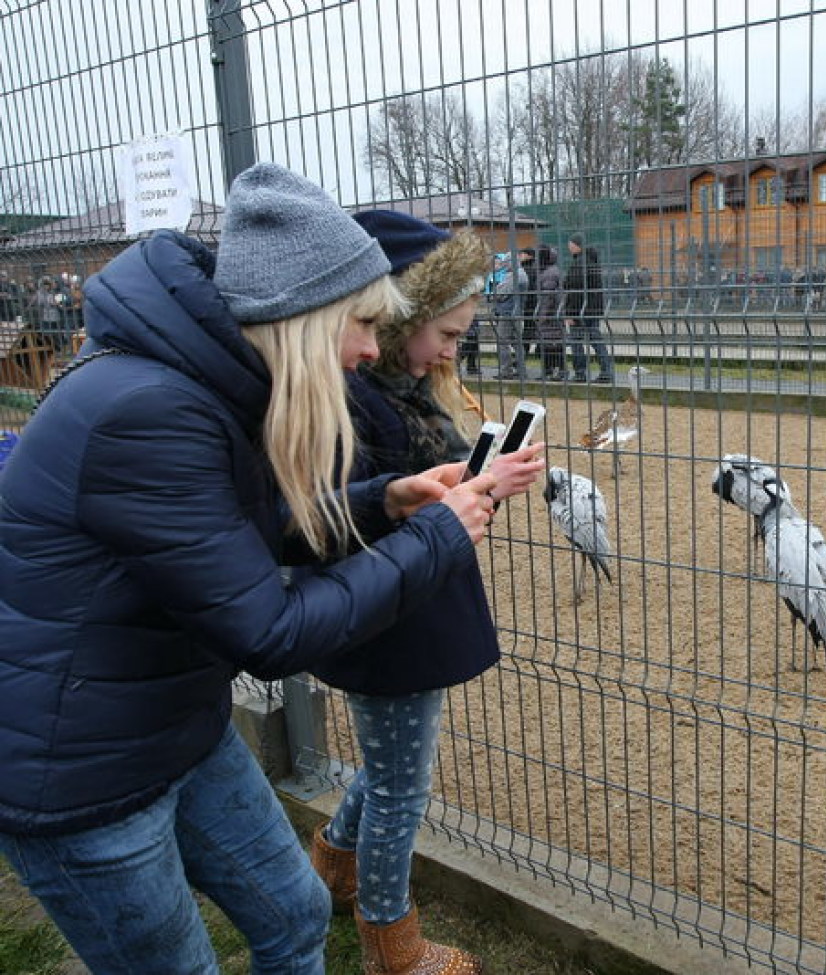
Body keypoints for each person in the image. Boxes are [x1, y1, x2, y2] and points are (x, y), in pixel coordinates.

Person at [0, 162, 498, 975]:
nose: (372, 347)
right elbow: (268, 629)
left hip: (171, 721)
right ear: (301, 315)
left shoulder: (202, 384)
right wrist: (440, 536)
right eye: (361, 323)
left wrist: (385, 503)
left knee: (295, 912)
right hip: (76, 773)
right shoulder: (148, 412)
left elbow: (241, 535)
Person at [309, 211, 545, 974]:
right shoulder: (352, 402)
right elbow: (347, 518)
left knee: (386, 771)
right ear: (400, 314)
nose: (452, 351)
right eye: (444, 335)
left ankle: (334, 869)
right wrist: (472, 489)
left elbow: (418, 503)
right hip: (390, 624)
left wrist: (480, 484)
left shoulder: (404, 393)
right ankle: (391, 944)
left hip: (410, 609)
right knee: (402, 789)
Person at [562, 232, 614, 383]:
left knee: (576, 341)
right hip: (592, 309)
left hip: (581, 311)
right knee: (596, 340)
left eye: (570, 244)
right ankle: (606, 371)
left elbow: (576, 291)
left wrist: (570, 313)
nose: (569, 247)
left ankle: (580, 373)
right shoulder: (592, 261)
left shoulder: (580, 263)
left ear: (575, 245)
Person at [489, 251, 529, 379]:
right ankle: (521, 370)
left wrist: (494, 294)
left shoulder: (512, 275)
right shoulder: (522, 274)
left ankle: (506, 371)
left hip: (507, 313)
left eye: (506, 262)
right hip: (517, 312)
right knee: (517, 343)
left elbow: (499, 293)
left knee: (503, 342)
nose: (505, 265)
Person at [535, 244, 566, 381]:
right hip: (554, 314)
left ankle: (558, 370)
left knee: (553, 345)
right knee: (550, 344)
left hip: (550, 316)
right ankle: (550, 370)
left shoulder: (549, 273)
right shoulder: (551, 271)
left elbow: (548, 296)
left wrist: (543, 315)